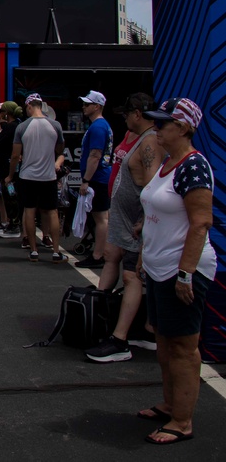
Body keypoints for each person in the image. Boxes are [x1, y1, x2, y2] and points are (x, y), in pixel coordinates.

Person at [132, 97, 215, 444]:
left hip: (182, 271)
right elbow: (156, 216)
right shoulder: (169, 164)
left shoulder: (193, 167)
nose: (156, 130)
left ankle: (182, 421)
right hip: (158, 267)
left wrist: (185, 274)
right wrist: (143, 256)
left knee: (182, 347)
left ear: (182, 128)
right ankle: (171, 404)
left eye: (162, 125)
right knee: (165, 343)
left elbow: (200, 223)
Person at [86, 93, 162, 362]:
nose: (125, 118)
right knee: (115, 261)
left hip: (136, 224)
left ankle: (120, 341)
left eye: (127, 114)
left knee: (132, 277)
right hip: (125, 219)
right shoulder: (137, 138)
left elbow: (153, 187)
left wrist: (144, 220)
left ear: (138, 114)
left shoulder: (150, 140)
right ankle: (133, 327)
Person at [6, 94, 65, 264]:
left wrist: (10, 175)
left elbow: (15, 155)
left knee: (29, 211)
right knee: (52, 212)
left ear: (30, 106)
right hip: (48, 176)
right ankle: (55, 252)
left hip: (28, 176)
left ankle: (33, 250)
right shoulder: (55, 125)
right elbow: (60, 149)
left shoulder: (22, 127)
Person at [75, 90, 113, 269]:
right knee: (101, 217)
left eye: (87, 104)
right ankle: (100, 252)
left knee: (100, 218)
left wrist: (86, 180)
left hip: (97, 178)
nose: (83, 107)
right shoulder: (100, 126)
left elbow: (95, 155)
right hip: (100, 176)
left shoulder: (98, 127)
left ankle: (98, 255)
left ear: (97, 106)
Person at [0, 101, 23, 238]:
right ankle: (11, 223)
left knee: (10, 195)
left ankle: (14, 224)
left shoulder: (10, 128)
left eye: (1, 111)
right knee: (8, 195)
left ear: (7, 113)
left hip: (9, 169)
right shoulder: (17, 126)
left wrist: (9, 174)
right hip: (7, 167)